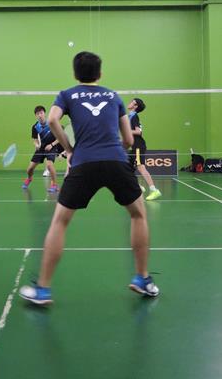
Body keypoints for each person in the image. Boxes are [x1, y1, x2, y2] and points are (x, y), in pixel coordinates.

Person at [19, 51, 159, 305]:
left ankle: (43, 289)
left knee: (60, 222)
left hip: (84, 162)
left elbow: (52, 119)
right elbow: (129, 140)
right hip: (116, 161)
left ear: (75, 74)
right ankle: (143, 278)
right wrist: (115, 152)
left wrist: (68, 149)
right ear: (100, 74)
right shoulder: (113, 96)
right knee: (138, 215)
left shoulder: (67, 94)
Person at [127, 98, 161, 201]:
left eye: (132, 102)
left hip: (138, 146)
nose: (130, 102)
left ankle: (154, 190)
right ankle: (138, 187)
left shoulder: (134, 117)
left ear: (135, 106)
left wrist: (126, 130)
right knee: (127, 168)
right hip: (134, 146)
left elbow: (138, 132)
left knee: (141, 168)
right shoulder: (131, 116)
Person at [22, 106, 62, 193]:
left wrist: (52, 145)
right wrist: (36, 145)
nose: (40, 115)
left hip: (52, 146)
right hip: (41, 147)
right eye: (37, 114)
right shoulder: (35, 127)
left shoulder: (52, 123)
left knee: (49, 165)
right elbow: (35, 139)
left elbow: (60, 137)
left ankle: (54, 185)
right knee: (29, 169)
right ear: (36, 116)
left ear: (44, 113)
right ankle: (29, 178)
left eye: (41, 113)